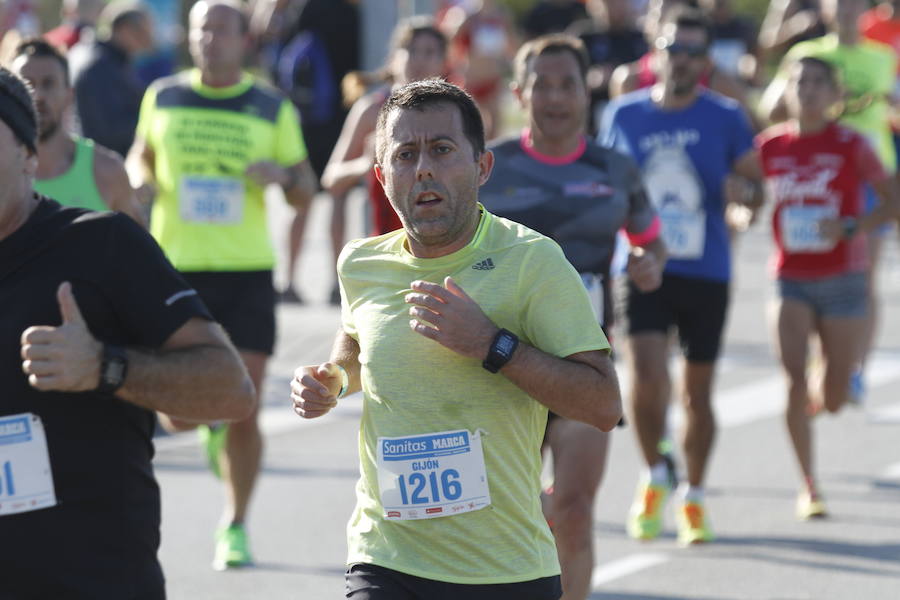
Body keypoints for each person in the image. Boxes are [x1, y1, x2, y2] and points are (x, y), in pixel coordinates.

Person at [291, 78, 622, 599]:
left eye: (442, 150)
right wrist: (331, 379)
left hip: (504, 569)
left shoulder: (532, 261)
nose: (423, 167)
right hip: (386, 557)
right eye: (405, 154)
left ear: (482, 167)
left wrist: (494, 344)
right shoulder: (361, 264)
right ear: (382, 176)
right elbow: (357, 342)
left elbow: (603, 403)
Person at [0, 66, 255, 598]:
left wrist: (105, 366)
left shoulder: (102, 246)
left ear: (29, 156)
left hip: (92, 580)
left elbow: (230, 389)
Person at [127, 0, 317, 570]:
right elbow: (143, 154)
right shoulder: (163, 95)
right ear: (189, 38)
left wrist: (282, 175)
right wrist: (140, 181)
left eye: (220, 29)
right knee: (178, 413)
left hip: (245, 273)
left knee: (245, 402)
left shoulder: (269, 105)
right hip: (176, 269)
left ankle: (234, 523)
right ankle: (210, 428)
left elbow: (306, 185)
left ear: (243, 40)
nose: (209, 38)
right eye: (200, 29)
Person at [479, 35, 665, 600]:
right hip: (499, 364)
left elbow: (652, 242)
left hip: (583, 364)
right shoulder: (490, 165)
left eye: (568, 85)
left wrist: (647, 265)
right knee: (499, 515)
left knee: (577, 512)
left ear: (587, 92)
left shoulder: (615, 169)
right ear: (520, 92)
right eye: (543, 85)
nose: (556, 98)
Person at [599, 7, 761, 546]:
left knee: (697, 394)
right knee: (645, 380)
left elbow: (754, 188)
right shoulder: (623, 115)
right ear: (656, 50)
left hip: (705, 267)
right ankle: (655, 474)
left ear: (707, 60)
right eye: (675, 48)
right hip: (641, 264)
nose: (684, 60)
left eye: (695, 52)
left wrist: (743, 201)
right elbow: (604, 186)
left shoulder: (727, 116)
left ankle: (693, 493)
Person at [738, 57, 900, 519]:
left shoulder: (852, 145)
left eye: (816, 84)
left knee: (831, 399)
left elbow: (893, 201)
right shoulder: (770, 146)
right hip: (789, 277)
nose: (806, 91)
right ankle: (808, 484)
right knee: (790, 382)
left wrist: (852, 227)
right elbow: (744, 186)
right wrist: (742, 205)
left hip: (844, 278)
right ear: (787, 92)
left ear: (834, 96)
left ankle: (825, 378)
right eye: (798, 82)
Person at [760, 0, 897, 406]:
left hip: (868, 172)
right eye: (839, 3)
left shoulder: (883, 57)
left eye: (855, 4)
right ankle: (825, 359)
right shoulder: (807, 56)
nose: (847, 10)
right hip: (814, 173)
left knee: (862, 273)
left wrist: (878, 104)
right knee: (810, 266)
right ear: (825, 9)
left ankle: (854, 368)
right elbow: (770, 109)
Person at [319, 17, 448, 301]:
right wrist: (363, 165)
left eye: (430, 52)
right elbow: (331, 180)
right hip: (388, 249)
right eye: (411, 50)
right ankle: (336, 278)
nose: (420, 60)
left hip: (444, 248)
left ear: (442, 62)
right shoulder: (372, 109)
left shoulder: (454, 112)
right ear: (394, 58)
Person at [269, 0, 361, 304]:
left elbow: (277, 45)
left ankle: (290, 280)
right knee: (339, 196)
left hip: (306, 118)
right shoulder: (352, 13)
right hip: (342, 116)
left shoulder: (306, 8)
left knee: (302, 200)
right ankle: (338, 285)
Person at [11, 38, 145, 225]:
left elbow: (137, 251)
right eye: (27, 84)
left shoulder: (107, 171)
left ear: (69, 95)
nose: (38, 95)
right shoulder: (5, 175)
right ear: (9, 98)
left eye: (49, 84)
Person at [69, 0, 155, 158]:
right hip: (97, 166)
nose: (148, 41)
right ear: (124, 29)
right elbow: (108, 132)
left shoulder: (97, 56)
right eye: (143, 33)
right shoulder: (99, 66)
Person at [568, 0, 648, 134]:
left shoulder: (641, 38)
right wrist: (592, 78)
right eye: (609, 3)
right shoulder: (583, 37)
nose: (616, 7)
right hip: (591, 115)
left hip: (634, 114)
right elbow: (565, 74)